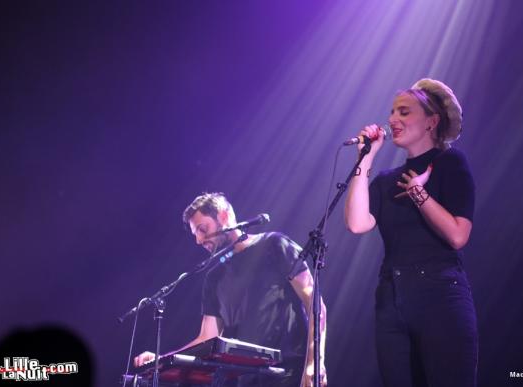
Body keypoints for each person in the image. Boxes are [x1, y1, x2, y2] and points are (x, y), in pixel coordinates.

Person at [344, 79, 478, 387]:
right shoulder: (386, 180)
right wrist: (365, 158)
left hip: (440, 293)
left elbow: (458, 236)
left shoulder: (450, 162)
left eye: (404, 112)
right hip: (392, 297)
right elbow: (356, 223)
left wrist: (421, 196)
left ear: (432, 121)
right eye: (392, 112)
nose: (393, 120)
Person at [135, 192, 327, 387]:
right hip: (243, 379)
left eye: (203, 229)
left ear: (224, 216)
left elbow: (315, 305)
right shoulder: (214, 276)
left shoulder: (274, 245)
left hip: (289, 375)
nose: (199, 240)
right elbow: (206, 338)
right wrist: (161, 359)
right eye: (195, 234)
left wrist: (314, 364)